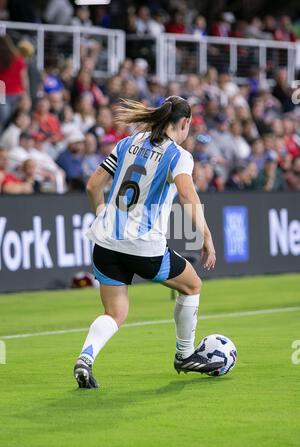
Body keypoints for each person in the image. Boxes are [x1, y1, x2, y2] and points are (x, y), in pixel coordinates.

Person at [73, 96, 223, 389]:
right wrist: (206, 236)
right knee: (192, 285)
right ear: (185, 123)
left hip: (105, 240)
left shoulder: (128, 142)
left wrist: (102, 212)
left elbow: (93, 185)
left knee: (114, 314)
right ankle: (184, 355)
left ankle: (86, 358)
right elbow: (187, 196)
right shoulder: (178, 155)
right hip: (144, 245)